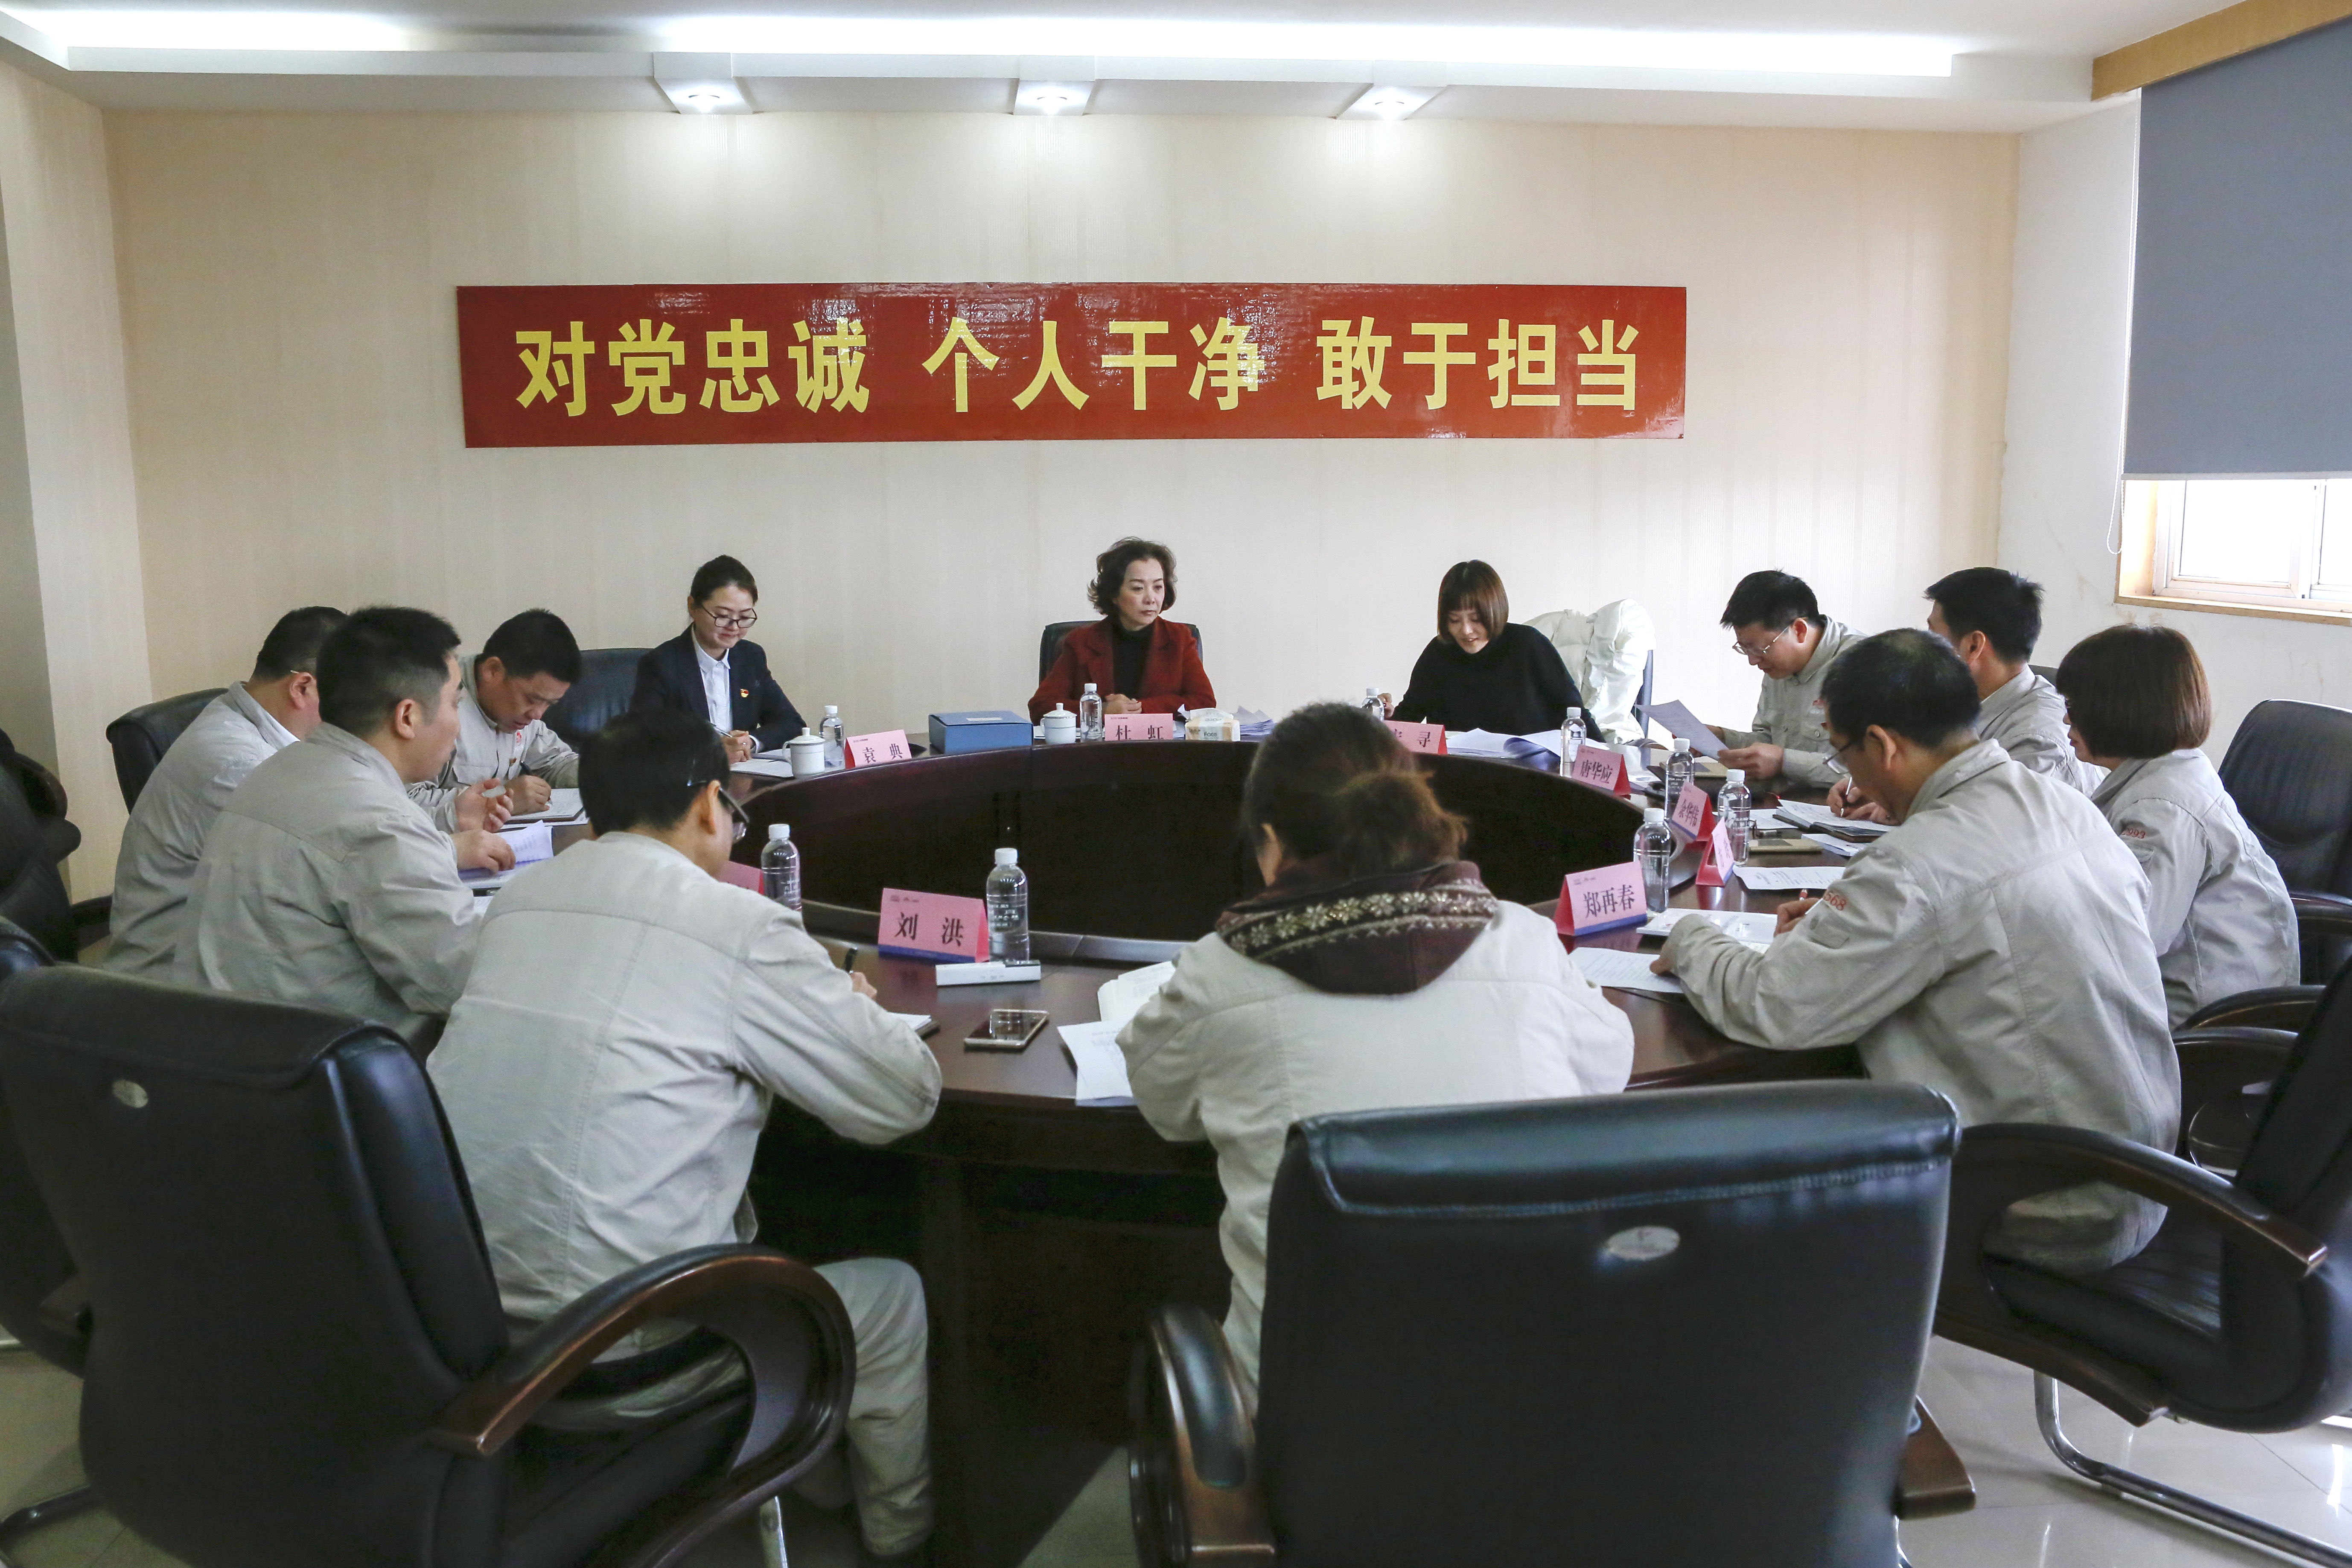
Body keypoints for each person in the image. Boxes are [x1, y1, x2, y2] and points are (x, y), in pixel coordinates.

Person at [428, 709, 941, 1561]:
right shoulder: (737, 925)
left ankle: (812, 1473)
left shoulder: (520, 900)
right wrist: (850, 1004)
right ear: (710, 804)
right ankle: (904, 1540)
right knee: (892, 1297)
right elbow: (903, 1098)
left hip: (470, 1333)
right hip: (620, 1351)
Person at [1119, 703, 1633, 1398]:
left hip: (1312, 1416)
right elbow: (1608, 1065)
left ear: (1269, 841)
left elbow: (1160, 1100)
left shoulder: (1222, 971)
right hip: (1531, 1394)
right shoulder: (1524, 941)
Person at [1655, 629, 2178, 1276]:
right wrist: (1845, 926)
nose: (1847, 772)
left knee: (1744, 1170)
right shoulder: (2065, 806)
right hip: (2141, 1174)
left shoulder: (1917, 861)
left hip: (2039, 1199)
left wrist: (1691, 936)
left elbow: (1776, 1006)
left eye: (1842, 752)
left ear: (1881, 744)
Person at [179, 607, 513, 1046]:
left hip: (221, 1044)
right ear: (407, 717)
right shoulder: (378, 822)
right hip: (306, 1066)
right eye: (454, 702)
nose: (458, 723)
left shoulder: (279, 769)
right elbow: (463, 985)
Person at [2056, 625, 2297, 1025]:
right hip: (2188, 995)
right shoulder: (2167, 773)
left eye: (2074, 704)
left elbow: (2128, 939)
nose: (2065, 717)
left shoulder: (2162, 808)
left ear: (2117, 707)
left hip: (2202, 1021)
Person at [107, 605, 347, 979]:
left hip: (231, 952)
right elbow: (326, 879)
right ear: (303, 688)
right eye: (349, 699)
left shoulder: (244, 718)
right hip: (174, 985)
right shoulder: (238, 766)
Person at [1831, 568, 2097, 822]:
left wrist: (1906, 804)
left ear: (1973, 646)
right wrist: (1881, 785)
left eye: (1933, 635)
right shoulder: (1951, 703)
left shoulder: (2038, 739)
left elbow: (1992, 824)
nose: (1926, 647)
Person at [410, 608, 583, 827]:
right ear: (493, 670)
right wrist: (499, 798)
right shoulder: (437, 704)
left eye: (550, 704)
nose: (537, 715)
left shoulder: (520, 714)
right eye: (532, 699)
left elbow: (556, 763)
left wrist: (604, 772)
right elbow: (403, 805)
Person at [632, 554, 805, 763]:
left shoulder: (750, 658)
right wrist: (709, 751)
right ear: (693, 607)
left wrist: (748, 742)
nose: (734, 627)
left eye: (744, 617)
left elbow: (792, 724)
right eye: (723, 616)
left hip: (746, 774)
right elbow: (643, 742)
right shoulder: (661, 664)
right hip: (691, 779)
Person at [1384, 560, 1583, 735]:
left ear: (1495, 611)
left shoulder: (1528, 645)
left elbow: (1575, 717)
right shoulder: (1438, 653)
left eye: (1476, 619)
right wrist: (1384, 717)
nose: (1466, 631)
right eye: (1454, 620)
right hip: (1456, 765)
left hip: (1526, 766)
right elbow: (1407, 720)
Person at [1028, 537, 1215, 721]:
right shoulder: (1081, 642)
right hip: (1099, 742)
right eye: (1138, 588)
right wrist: (1099, 711)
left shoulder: (1179, 639)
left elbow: (1204, 703)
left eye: (1158, 587)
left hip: (1159, 741)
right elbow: (1041, 706)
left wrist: (1139, 709)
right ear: (1114, 594)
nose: (1151, 599)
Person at [1713, 571, 1855, 788]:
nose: (1753, 661)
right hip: (1783, 801)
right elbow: (1769, 741)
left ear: (1799, 630)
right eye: (1745, 649)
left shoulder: (1862, 665)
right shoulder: (1778, 666)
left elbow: (1863, 771)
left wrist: (1784, 762)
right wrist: (1723, 739)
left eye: (1760, 649)